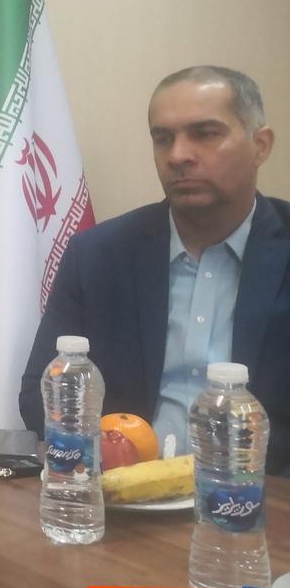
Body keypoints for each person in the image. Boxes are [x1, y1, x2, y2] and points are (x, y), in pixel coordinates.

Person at [19, 66, 289, 474]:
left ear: (260, 145)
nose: (178, 155)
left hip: (255, 498)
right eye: (163, 138)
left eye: (205, 134)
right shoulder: (98, 255)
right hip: (123, 493)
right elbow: (39, 396)